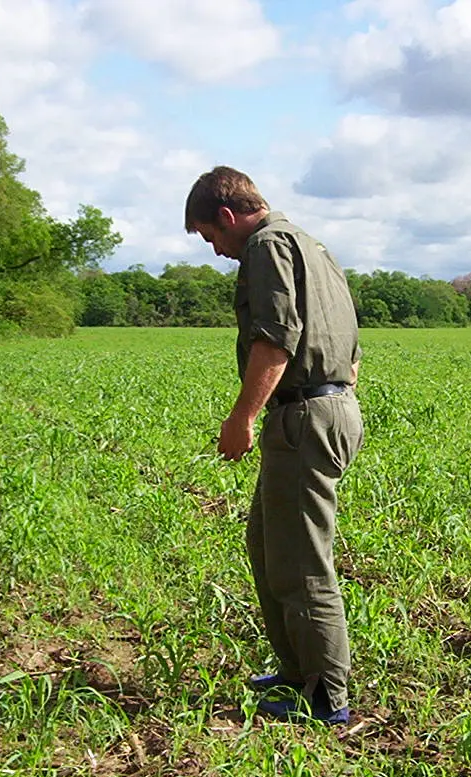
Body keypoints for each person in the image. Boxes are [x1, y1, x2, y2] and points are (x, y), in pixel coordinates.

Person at [184, 166, 364, 725]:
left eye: (211, 237)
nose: (216, 251)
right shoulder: (311, 244)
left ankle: (323, 695)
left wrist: (242, 417)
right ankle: (295, 673)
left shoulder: (267, 246)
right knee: (268, 543)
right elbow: (351, 340)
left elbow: (275, 339)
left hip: (304, 414)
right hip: (327, 406)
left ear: (228, 216)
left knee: (302, 561)